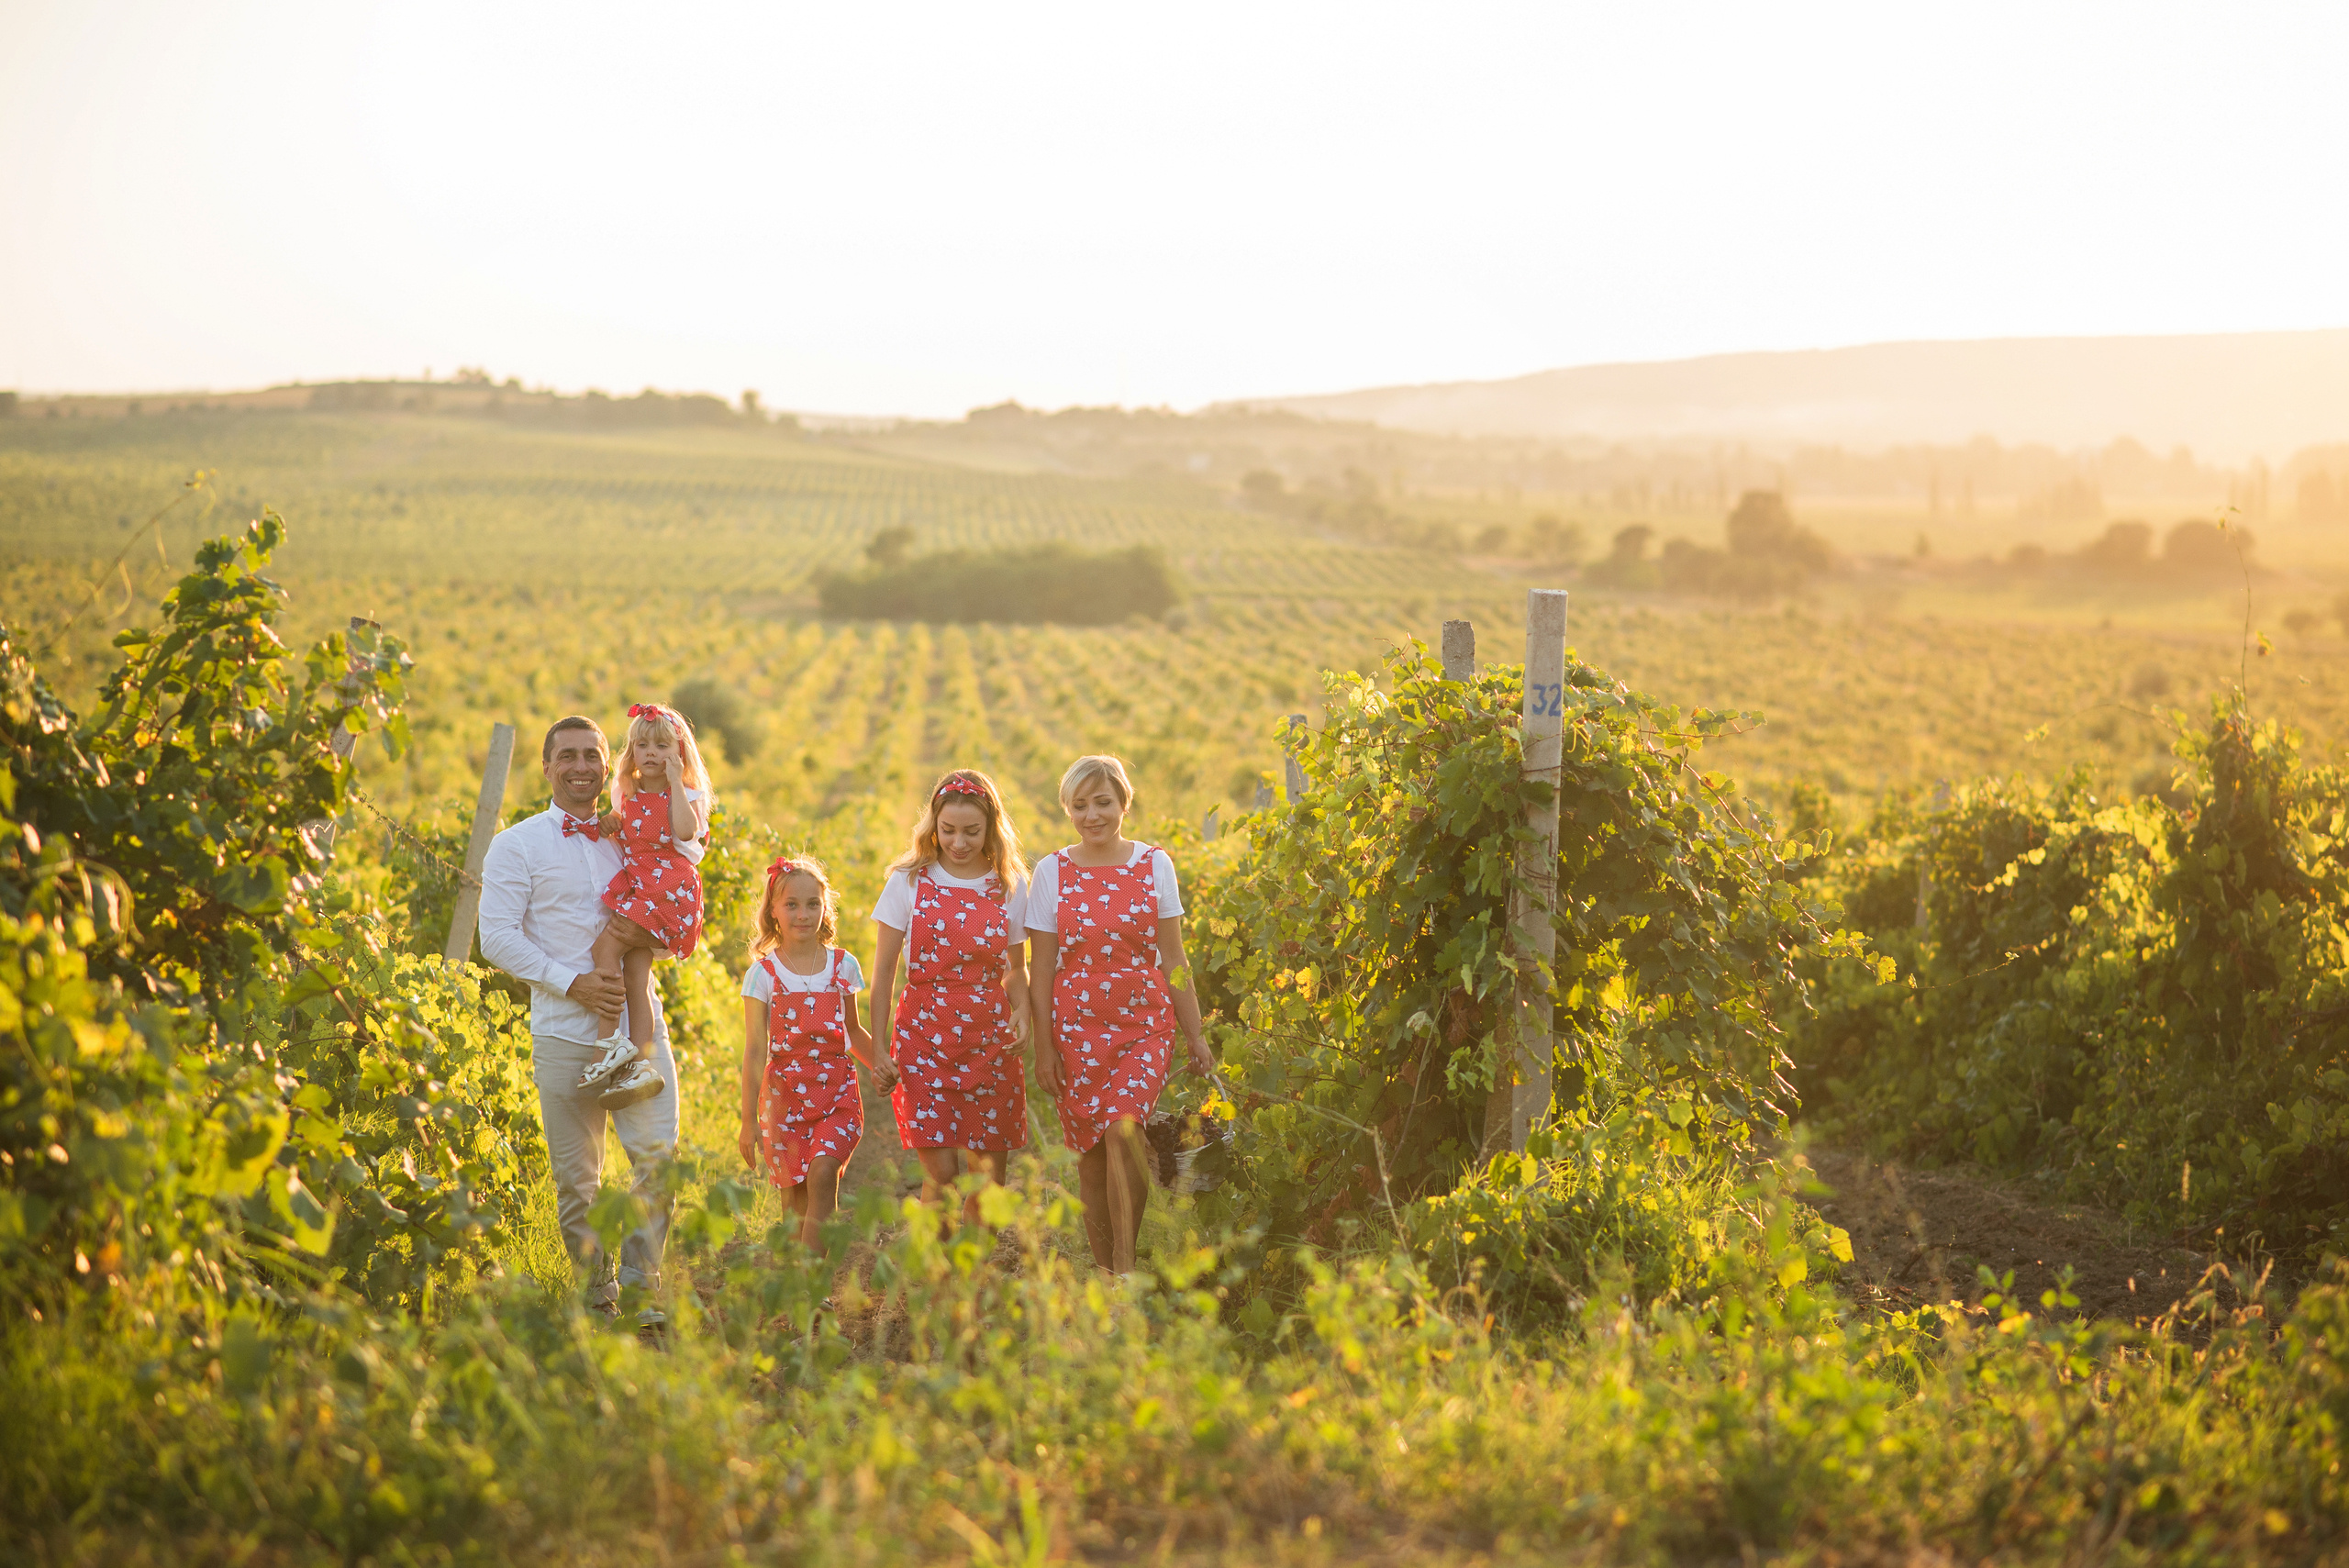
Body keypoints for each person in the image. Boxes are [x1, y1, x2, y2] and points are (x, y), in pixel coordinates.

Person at [478, 716, 690, 1323]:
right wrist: (572, 981)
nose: (580, 766)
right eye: (567, 755)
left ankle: (639, 1276)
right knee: (579, 1183)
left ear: (608, 764)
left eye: (592, 755)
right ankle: (596, 1296)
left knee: (658, 1161)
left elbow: (676, 889)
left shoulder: (633, 828)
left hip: (639, 1030)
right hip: (564, 1033)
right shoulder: (517, 844)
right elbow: (494, 936)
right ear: (546, 766)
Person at [1026, 754, 1213, 1276]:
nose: (1092, 816)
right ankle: (1108, 1275)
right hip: (1076, 1030)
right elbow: (1041, 970)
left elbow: (1174, 959)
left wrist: (1194, 1034)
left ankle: (1127, 1273)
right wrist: (1044, 1049)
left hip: (1144, 1024)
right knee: (1089, 1152)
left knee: (1123, 1129)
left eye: (1103, 802)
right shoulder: (1051, 872)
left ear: (1124, 803)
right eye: (1080, 805)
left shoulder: (1155, 864)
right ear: (1067, 809)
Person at [869, 769, 1031, 1225]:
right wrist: (880, 1047)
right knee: (940, 1172)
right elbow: (882, 974)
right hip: (924, 1035)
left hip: (990, 1038)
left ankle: (972, 1285)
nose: (959, 842)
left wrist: (1022, 1010)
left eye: (971, 832)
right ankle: (940, 1284)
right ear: (934, 827)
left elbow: (1015, 969)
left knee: (988, 1176)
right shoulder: (908, 880)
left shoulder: (1010, 885)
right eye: (949, 831)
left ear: (991, 829)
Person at [738, 855, 898, 1247]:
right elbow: (756, 1050)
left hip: (836, 1095)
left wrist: (881, 1062)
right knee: (794, 1203)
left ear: (825, 907)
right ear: (773, 910)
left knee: (823, 1174)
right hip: (784, 1099)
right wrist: (748, 1121)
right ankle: (798, 1288)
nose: (803, 914)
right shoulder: (763, 974)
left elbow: (852, 1029)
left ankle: (813, 1284)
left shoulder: (842, 966)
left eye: (813, 904)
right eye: (791, 904)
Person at [578, 703, 709, 1106]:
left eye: (663, 746)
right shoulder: (626, 792)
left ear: (680, 752)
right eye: (643, 745)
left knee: (605, 949)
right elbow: (626, 827)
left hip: (668, 890)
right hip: (642, 887)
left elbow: (687, 833)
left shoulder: (686, 794)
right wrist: (611, 822)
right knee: (636, 975)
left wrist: (674, 783)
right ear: (632, 752)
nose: (651, 753)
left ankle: (608, 1044)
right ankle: (642, 1064)